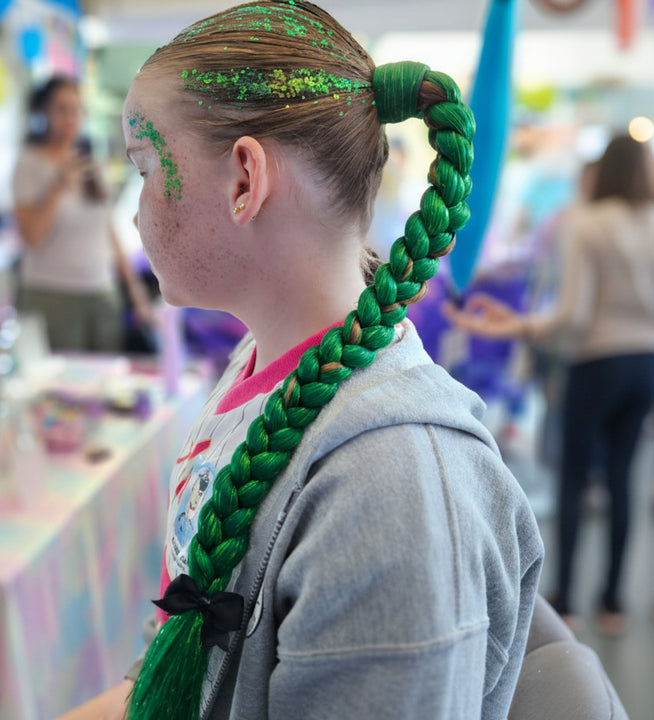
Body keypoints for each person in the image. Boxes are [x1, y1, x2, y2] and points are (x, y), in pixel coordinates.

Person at [56, 2, 544, 719]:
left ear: (243, 181)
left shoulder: (392, 488)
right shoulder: (264, 366)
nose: (136, 210)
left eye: (147, 166)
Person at [445, 134, 654, 635]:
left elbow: (574, 313)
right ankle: (614, 603)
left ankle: (565, 597)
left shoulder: (583, 222)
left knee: (572, 479)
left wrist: (520, 327)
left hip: (594, 364)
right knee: (622, 478)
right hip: (646, 365)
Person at [13, 75, 151, 353]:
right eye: (61, 109)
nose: (70, 117)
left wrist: (135, 292)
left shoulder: (91, 162)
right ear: (44, 113)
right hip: (52, 295)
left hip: (102, 293)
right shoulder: (29, 164)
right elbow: (32, 237)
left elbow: (108, 231)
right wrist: (57, 186)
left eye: (76, 109)